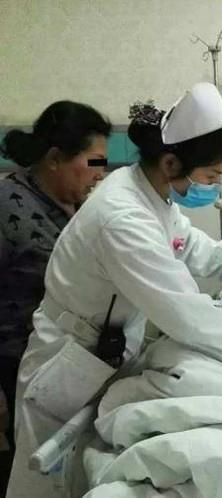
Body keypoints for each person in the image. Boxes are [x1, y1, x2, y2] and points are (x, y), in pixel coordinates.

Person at [6, 83, 222, 497]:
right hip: (66, 363)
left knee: (95, 464)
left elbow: (185, 243)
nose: (215, 186)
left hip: (107, 352)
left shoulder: (148, 194)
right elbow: (186, 313)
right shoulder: (121, 218)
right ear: (171, 162)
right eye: (212, 176)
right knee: (48, 479)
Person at [0, 101, 110, 492]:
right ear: (54, 158)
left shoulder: (80, 204)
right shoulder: (8, 207)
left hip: (74, 356)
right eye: (94, 162)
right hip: (20, 359)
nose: (101, 173)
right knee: (32, 466)